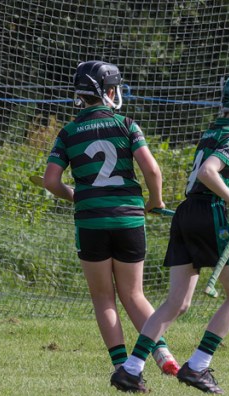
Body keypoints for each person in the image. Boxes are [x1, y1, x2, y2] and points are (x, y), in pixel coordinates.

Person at [111, 74, 229, 394]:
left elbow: (207, 182)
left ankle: (131, 370)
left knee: (177, 302)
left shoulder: (213, 130)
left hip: (187, 213)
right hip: (207, 215)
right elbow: (208, 173)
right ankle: (197, 366)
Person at [43, 61, 178, 376]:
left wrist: (76, 195)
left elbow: (50, 181)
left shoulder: (68, 132)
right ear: (110, 92)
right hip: (128, 218)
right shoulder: (127, 124)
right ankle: (163, 354)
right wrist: (155, 201)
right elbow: (152, 169)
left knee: (104, 297)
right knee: (134, 294)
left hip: (91, 221)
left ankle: (122, 368)